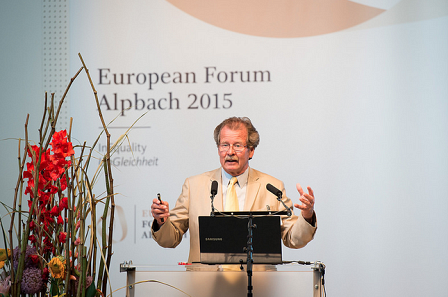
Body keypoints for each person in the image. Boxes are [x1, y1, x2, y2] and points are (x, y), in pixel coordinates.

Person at [151, 117, 317, 269]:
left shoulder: (272, 187)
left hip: (256, 285)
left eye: (237, 145)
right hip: (205, 287)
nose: (230, 152)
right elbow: (170, 239)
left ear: (250, 151)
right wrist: (161, 221)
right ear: (218, 149)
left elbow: (294, 239)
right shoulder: (194, 185)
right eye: (224, 145)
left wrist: (307, 216)